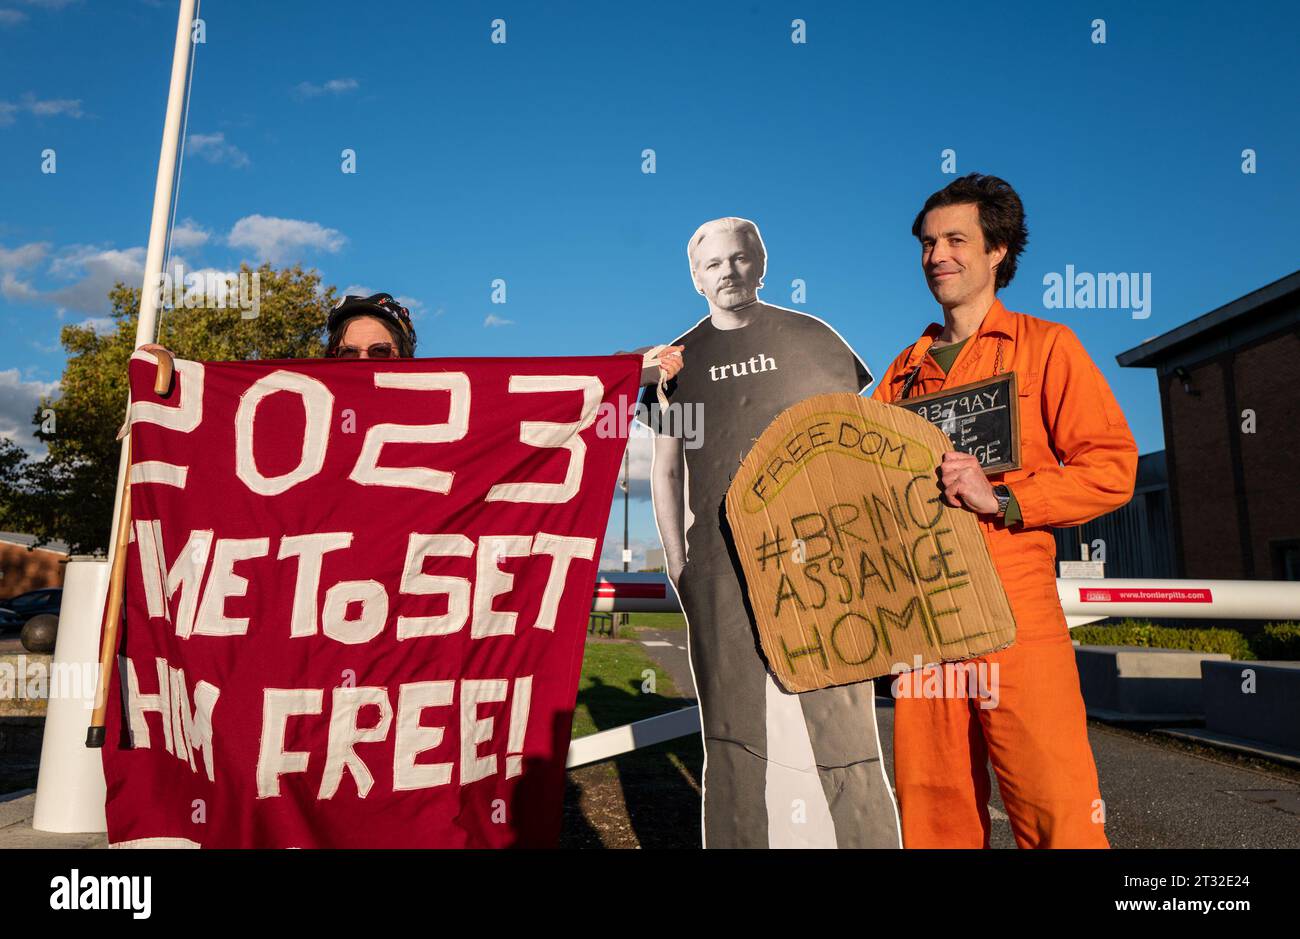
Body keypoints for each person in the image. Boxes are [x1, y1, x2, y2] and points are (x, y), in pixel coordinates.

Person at [872, 174, 1138, 848]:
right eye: (928, 243)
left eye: (955, 239)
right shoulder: (900, 374)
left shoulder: (1048, 347)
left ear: (998, 251)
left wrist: (1009, 499)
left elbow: (1112, 469)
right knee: (933, 810)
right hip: (924, 619)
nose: (937, 255)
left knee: (1056, 803)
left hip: (1015, 612)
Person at [641, 217, 901, 848]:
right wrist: (678, 556)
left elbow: (853, 442)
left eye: (738, 260)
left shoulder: (811, 339)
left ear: (760, 264)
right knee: (732, 730)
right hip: (720, 563)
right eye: (712, 265)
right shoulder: (678, 363)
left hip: (818, 558)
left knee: (844, 728)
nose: (727, 273)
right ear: (695, 278)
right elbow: (669, 463)